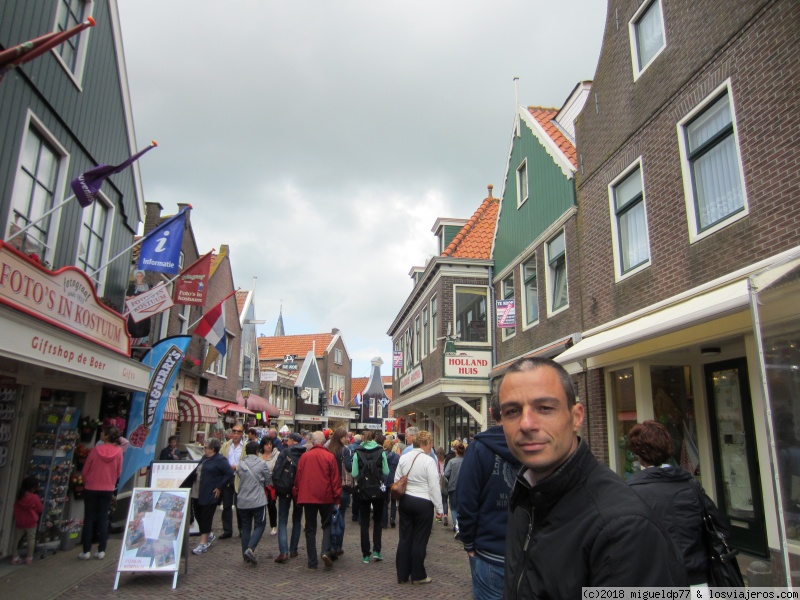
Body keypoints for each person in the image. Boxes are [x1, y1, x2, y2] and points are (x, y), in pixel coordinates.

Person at [498, 357, 688, 598]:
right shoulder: (526, 498)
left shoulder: (623, 528)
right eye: (513, 411)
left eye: (545, 408)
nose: (526, 424)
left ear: (576, 417)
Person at [627, 420, 729, 586]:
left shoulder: (630, 492)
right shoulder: (691, 485)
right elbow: (721, 528)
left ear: (638, 453)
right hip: (698, 582)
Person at [456, 421, 520, 600]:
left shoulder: (478, 449)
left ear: (492, 413)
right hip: (529, 557)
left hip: (490, 553)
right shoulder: (536, 445)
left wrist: (468, 542)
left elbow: (466, 499)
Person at [395, 429, 443, 585]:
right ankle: (418, 575)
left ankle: (402, 574)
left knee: (405, 538)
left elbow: (397, 480)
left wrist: (397, 503)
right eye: (430, 443)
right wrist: (440, 509)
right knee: (420, 539)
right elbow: (434, 486)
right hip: (423, 502)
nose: (431, 447)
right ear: (424, 443)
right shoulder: (428, 461)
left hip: (406, 501)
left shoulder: (404, 458)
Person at [293, 431, 341, 570]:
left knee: (310, 528)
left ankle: (312, 560)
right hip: (325, 496)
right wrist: (336, 497)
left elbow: (298, 478)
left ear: (313, 442)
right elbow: (335, 480)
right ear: (324, 441)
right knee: (326, 524)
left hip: (308, 497)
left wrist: (297, 494)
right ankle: (325, 551)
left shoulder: (305, 457)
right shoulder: (329, 457)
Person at [79, 426, 123, 560]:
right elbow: (118, 471)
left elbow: (86, 469)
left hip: (91, 487)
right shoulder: (119, 451)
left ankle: (86, 551)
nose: (101, 433)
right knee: (103, 518)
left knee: (89, 518)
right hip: (107, 488)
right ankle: (101, 550)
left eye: (103, 432)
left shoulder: (96, 450)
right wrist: (111, 482)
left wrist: (86, 481)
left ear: (107, 436)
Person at [186, 438, 234, 555]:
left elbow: (228, 473)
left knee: (206, 517)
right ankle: (208, 534)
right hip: (197, 492)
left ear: (212, 449)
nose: (204, 449)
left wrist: (219, 487)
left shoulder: (220, 460)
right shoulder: (204, 458)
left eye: (206, 447)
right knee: (198, 515)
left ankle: (203, 543)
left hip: (209, 493)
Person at [352, 430, 389, 563]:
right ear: (375, 438)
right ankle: (377, 551)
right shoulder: (381, 451)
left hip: (363, 490)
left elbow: (354, 472)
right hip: (378, 489)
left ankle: (365, 554)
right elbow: (386, 471)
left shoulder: (358, 452)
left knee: (364, 522)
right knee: (378, 521)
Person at [236, 441, 270, 565]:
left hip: (243, 500)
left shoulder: (241, 464)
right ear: (257, 451)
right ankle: (250, 548)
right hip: (257, 500)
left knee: (245, 527)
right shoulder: (262, 464)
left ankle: (245, 554)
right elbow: (267, 480)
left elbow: (240, 476)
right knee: (260, 525)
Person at [274, 432, 306, 563]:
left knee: (282, 519)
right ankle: (293, 549)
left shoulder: (285, 452)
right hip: (299, 490)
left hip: (284, 488)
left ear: (292, 441)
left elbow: (277, 470)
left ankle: (283, 551)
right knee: (297, 519)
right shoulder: (305, 454)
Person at [327, 427, 352, 555]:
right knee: (340, 516)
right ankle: (338, 546)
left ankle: (329, 545)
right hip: (342, 486)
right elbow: (348, 467)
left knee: (330, 516)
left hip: (329, 487)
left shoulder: (329, 450)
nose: (347, 439)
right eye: (345, 437)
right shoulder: (345, 451)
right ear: (340, 438)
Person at [219, 424, 245, 538]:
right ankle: (227, 530)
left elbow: (248, 462)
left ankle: (242, 529)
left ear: (242, 434)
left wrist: (238, 467)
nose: (235, 434)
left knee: (239, 505)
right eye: (234, 432)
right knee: (226, 505)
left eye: (238, 432)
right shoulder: (225, 446)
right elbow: (220, 458)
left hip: (239, 477)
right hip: (227, 477)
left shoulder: (245, 447)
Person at [12, 476, 42, 565]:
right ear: (33, 488)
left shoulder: (19, 496)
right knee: (31, 539)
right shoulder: (34, 497)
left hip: (20, 520)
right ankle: (29, 557)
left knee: (16, 539)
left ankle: (15, 557)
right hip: (31, 521)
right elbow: (40, 508)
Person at [442, 441, 465, 537]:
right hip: (464, 487)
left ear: (456, 451)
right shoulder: (467, 460)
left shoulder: (452, 462)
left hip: (453, 486)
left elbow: (446, 474)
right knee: (462, 507)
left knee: (454, 507)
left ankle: (456, 526)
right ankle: (462, 525)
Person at [259, 436, 280, 536]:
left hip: (271, 485)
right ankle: (259, 525)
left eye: (270, 444)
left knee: (271, 506)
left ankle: (274, 525)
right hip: (259, 485)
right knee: (259, 506)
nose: (269, 446)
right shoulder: (259, 456)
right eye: (267, 444)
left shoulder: (276, 455)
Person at [125, 269, 151, 342]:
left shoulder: (147, 287)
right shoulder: (132, 287)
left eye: (140, 276)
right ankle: (131, 339)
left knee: (144, 325)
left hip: (145, 310)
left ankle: (142, 341)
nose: (139, 277)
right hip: (135, 310)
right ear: (135, 277)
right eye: (137, 276)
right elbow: (125, 296)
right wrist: (130, 297)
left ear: (143, 277)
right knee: (134, 325)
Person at [382, 437, 400, 528]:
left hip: (383, 481)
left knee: (384, 502)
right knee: (393, 500)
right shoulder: (397, 457)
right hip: (393, 480)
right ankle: (392, 518)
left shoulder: (381, 455)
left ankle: (384, 522)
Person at [346, 434, 362, 522]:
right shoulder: (363, 447)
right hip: (362, 473)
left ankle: (354, 515)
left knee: (355, 495)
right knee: (360, 496)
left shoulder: (350, 447)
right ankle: (359, 515)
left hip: (353, 471)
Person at [435, 447, 449, 526]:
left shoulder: (436, 462)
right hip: (445, 481)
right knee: (445, 500)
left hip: (438, 481)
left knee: (438, 500)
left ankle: (438, 517)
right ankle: (446, 514)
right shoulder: (446, 461)